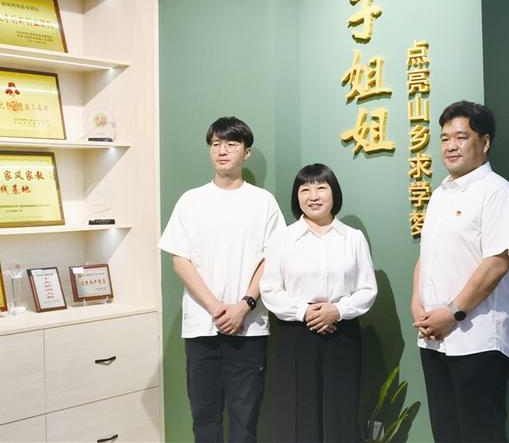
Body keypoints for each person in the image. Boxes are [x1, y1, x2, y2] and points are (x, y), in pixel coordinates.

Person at [158, 116, 286, 443]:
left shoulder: (263, 202)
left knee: (245, 421)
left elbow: (272, 260)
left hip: (249, 327)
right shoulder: (191, 200)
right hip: (202, 327)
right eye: (215, 144)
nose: (222, 151)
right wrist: (216, 307)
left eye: (231, 144)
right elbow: (179, 259)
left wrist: (244, 305)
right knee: (204, 418)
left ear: (247, 152)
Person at [411, 101, 509, 443]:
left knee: (481, 435)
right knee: (447, 434)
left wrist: (453, 312)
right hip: (434, 337)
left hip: (477, 338)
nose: (450, 146)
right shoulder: (439, 195)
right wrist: (417, 304)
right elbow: (426, 255)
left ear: (484, 142)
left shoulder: (497, 191)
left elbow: (496, 263)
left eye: (461, 137)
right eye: (445, 138)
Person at [260, 163, 377, 443]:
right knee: (299, 411)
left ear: (334, 193)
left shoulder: (353, 238)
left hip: (342, 332)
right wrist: (305, 312)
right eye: (305, 189)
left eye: (321, 188)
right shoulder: (283, 238)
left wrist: (337, 310)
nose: (313, 196)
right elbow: (270, 288)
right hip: (296, 334)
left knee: (341, 410)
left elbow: (367, 289)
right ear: (296, 196)